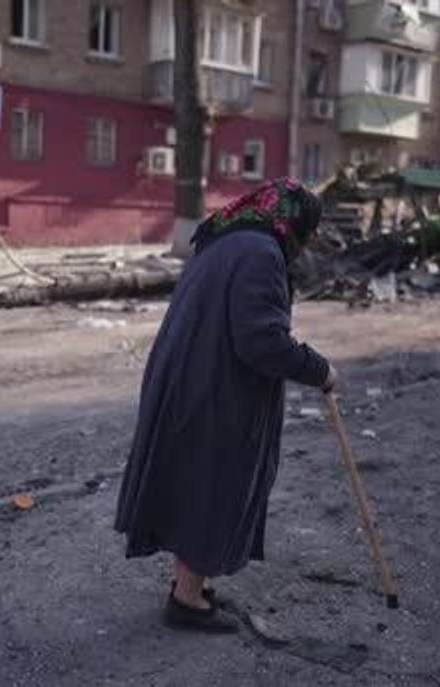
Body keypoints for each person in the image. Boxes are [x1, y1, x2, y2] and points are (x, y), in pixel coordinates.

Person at [115, 178, 337, 633]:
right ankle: (187, 600)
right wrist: (320, 370)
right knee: (211, 489)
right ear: (293, 221)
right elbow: (261, 342)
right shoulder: (261, 253)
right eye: (309, 228)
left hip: (190, 377)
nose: (310, 239)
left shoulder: (227, 238)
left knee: (191, 485)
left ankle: (188, 587)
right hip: (217, 389)